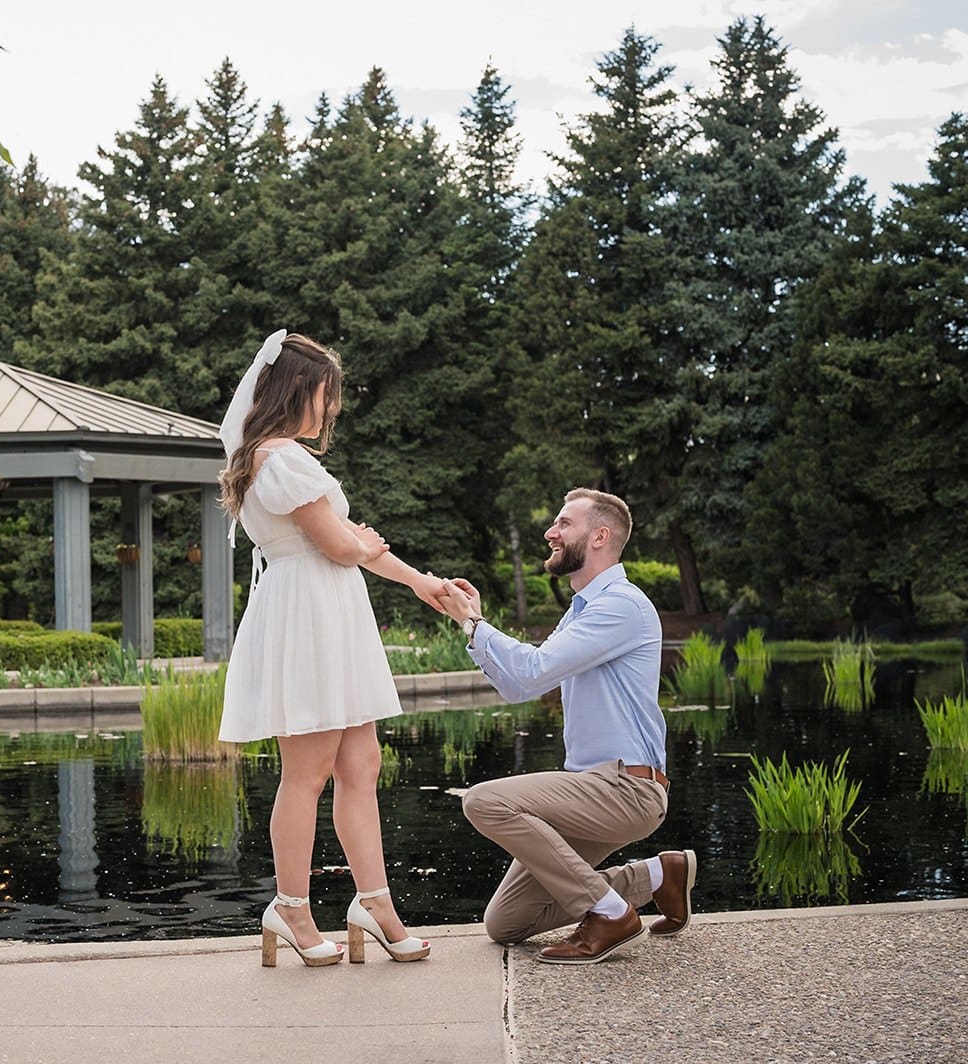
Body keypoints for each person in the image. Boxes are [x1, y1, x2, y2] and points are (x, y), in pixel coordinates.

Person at [217, 329, 445, 968]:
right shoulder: (281, 459)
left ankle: (373, 902)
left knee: (360, 763)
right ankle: (290, 905)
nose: (332, 407)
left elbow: (353, 548)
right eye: (326, 393)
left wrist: (422, 583)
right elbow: (342, 547)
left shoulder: (279, 457)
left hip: (327, 609)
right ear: (298, 391)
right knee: (308, 771)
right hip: (309, 615)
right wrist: (362, 543)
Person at [429, 488, 696, 964]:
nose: (550, 533)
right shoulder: (583, 611)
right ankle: (658, 876)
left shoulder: (621, 606)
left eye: (563, 524)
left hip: (625, 789)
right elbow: (521, 686)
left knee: (484, 801)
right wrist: (474, 626)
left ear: (599, 535)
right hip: (588, 791)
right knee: (507, 923)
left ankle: (609, 912)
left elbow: (532, 669)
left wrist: (476, 625)